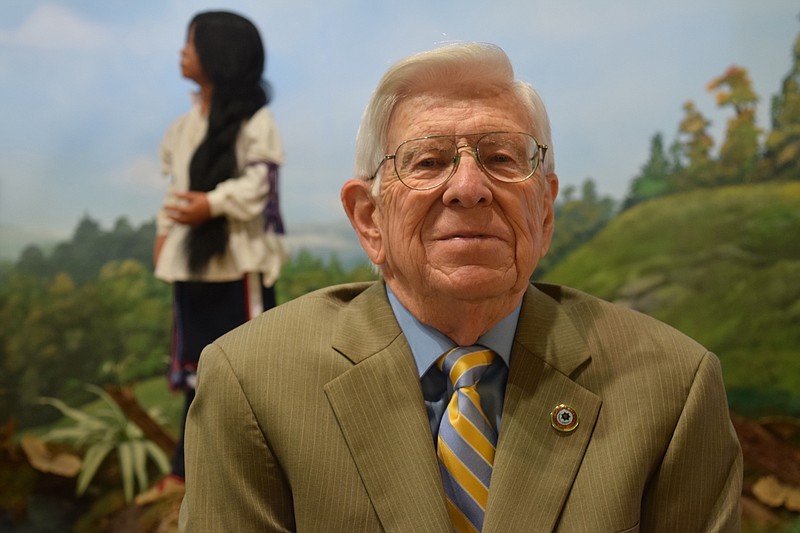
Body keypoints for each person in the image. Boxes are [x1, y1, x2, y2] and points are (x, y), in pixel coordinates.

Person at [179, 43, 742, 531]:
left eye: (500, 158)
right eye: (428, 161)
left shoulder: (672, 386)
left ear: (544, 212)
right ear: (369, 219)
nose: (469, 188)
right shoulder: (252, 382)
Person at [140, 11, 286, 504]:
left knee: (248, 372)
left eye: (192, 43)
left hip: (237, 268)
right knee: (195, 375)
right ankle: (187, 472)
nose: (183, 52)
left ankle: (262, 473)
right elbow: (176, 194)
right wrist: (167, 235)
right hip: (192, 270)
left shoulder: (256, 123)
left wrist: (213, 204)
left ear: (219, 55)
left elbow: (259, 188)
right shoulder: (183, 128)